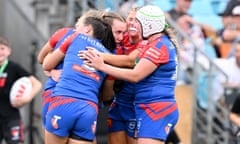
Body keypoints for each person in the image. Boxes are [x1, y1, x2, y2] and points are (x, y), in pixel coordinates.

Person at [82, 5, 180, 144]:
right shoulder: (155, 43)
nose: (133, 26)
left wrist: (101, 65)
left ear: (148, 25)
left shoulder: (158, 46)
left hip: (155, 108)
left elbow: (135, 75)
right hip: (145, 107)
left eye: (137, 22)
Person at [42, 17, 116, 144]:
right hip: (89, 108)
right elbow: (108, 95)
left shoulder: (74, 37)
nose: (75, 29)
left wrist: (54, 71)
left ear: (87, 29)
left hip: (63, 101)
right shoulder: (110, 56)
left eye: (78, 25)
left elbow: (46, 65)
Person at [0, 36, 42, 144]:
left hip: (11, 117)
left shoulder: (13, 67)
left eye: (2, 49)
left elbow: (37, 84)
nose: (0, 52)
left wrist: (27, 98)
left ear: (9, 51)